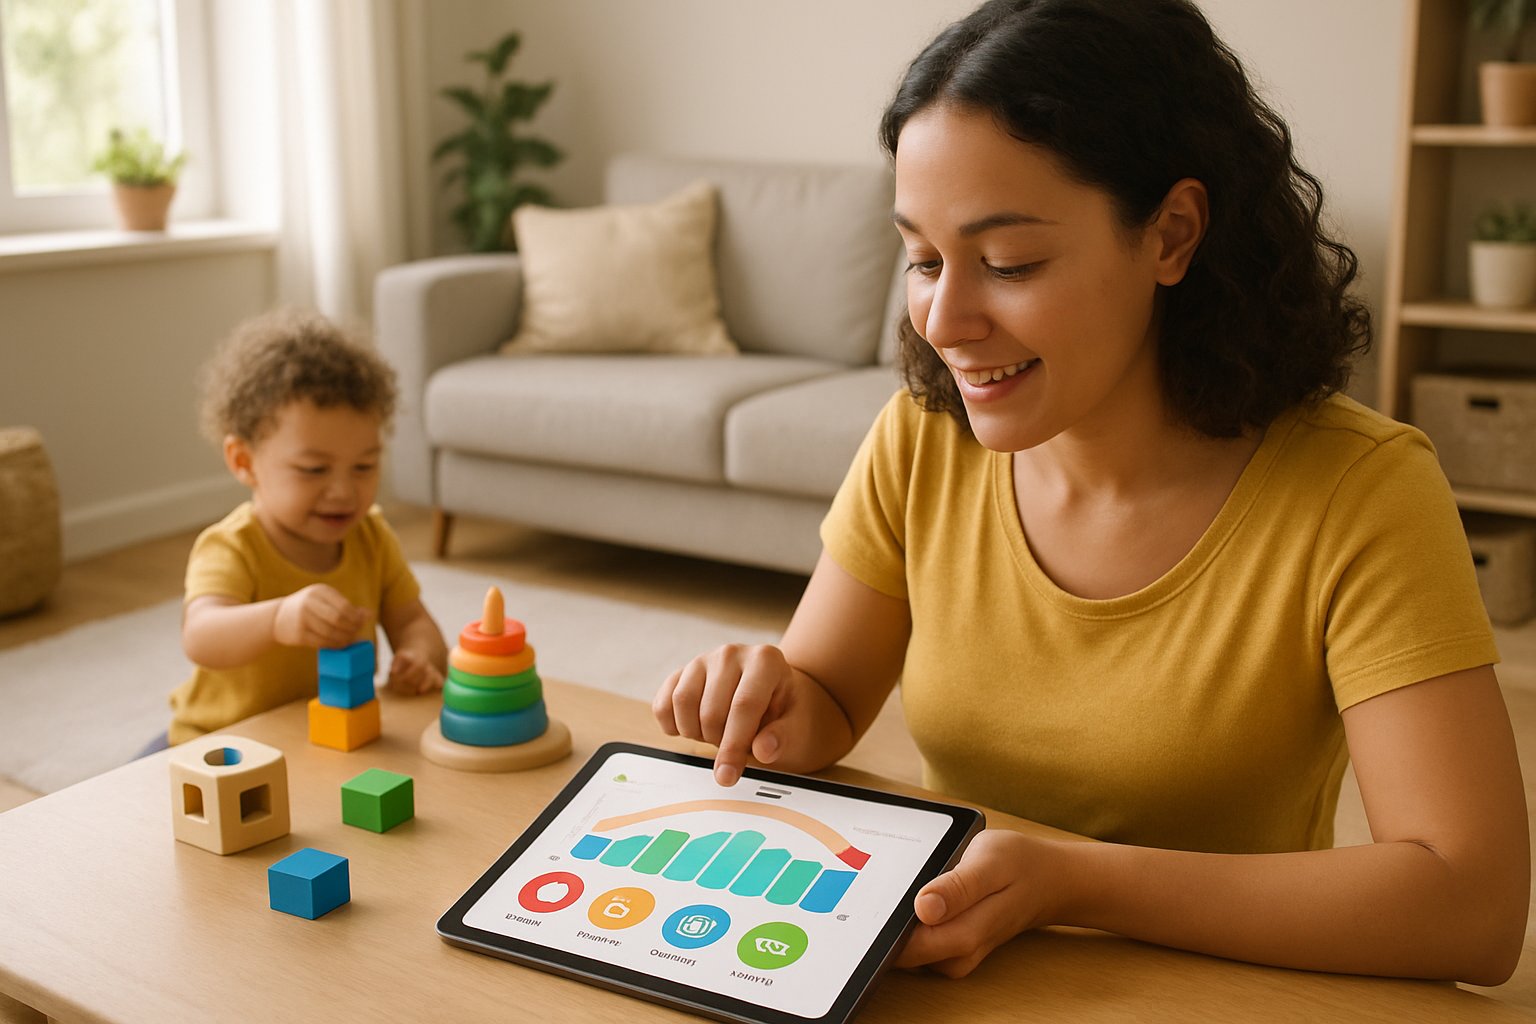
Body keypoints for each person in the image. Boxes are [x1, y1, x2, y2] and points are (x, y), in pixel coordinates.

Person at [654, 0, 1527, 986]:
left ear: (1172, 235)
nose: (945, 318)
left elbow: (1474, 905)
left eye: (1008, 263)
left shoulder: (1360, 491)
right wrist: (770, 699)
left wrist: (1071, 883)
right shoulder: (923, 438)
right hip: (952, 982)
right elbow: (824, 698)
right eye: (924, 260)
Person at [155, 309, 446, 751]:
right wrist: (277, 618)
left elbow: (413, 621)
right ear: (244, 462)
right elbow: (202, 637)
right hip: (223, 743)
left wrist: (419, 656)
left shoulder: (372, 537)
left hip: (326, 738)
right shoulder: (232, 546)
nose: (344, 491)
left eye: (364, 466)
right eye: (313, 469)